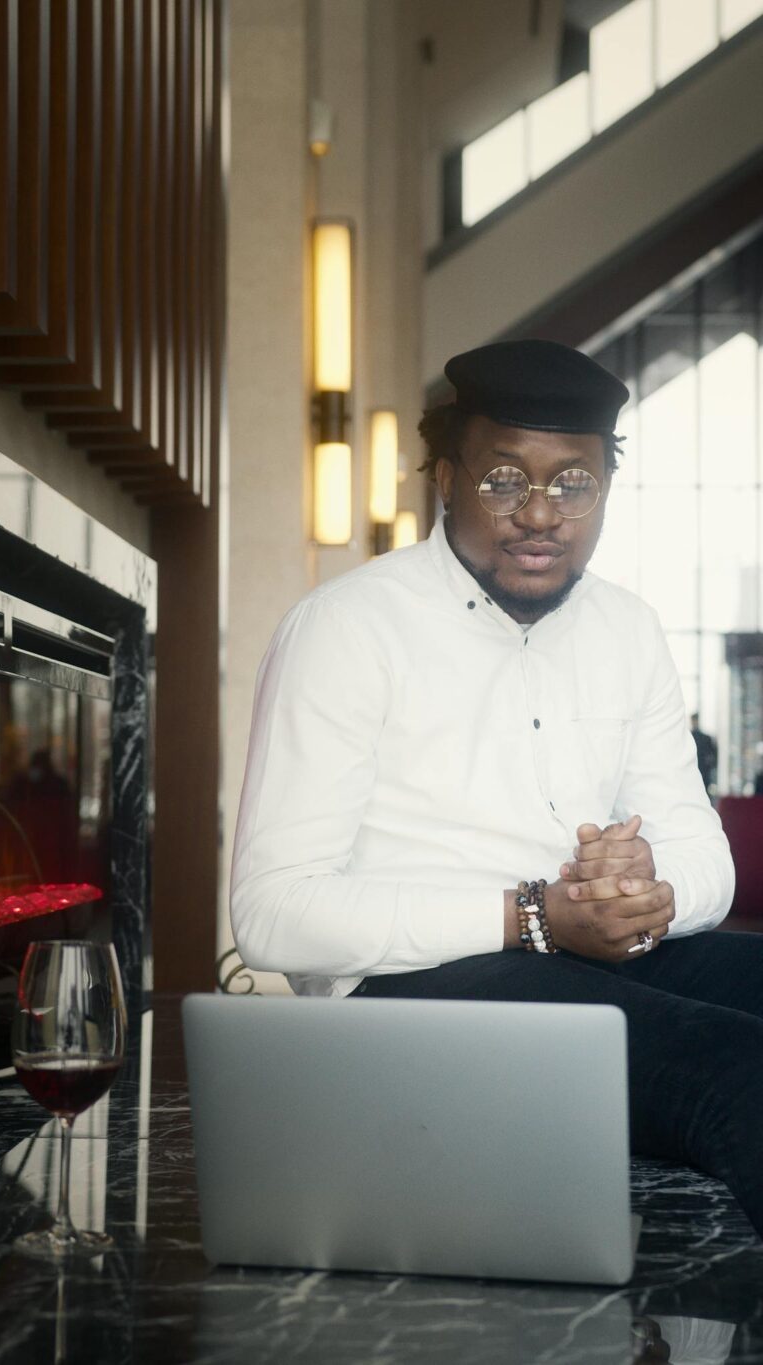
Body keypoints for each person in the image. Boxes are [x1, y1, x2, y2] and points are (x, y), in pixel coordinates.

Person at [231, 339, 763, 1239]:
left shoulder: (628, 630)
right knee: (737, 1068)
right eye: (505, 478)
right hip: (409, 995)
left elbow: (704, 855)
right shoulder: (346, 628)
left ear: (604, 489)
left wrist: (651, 891)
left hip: (585, 955)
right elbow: (273, 915)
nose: (541, 514)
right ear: (446, 477)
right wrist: (533, 915)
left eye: (573, 484)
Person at [689, 713, 717, 793]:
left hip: (703, 771)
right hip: (694, 770)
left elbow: (713, 756)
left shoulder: (706, 738)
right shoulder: (690, 737)